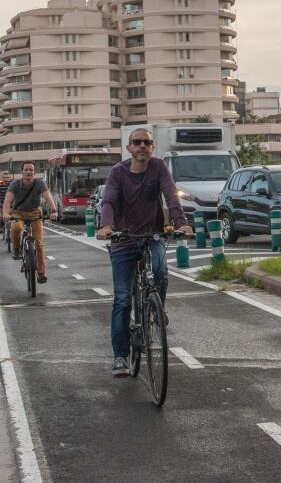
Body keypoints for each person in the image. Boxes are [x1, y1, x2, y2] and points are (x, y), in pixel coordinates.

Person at [97, 128, 193, 378]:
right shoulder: (118, 172)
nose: (142, 146)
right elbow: (108, 200)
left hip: (153, 235)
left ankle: (155, 309)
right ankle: (120, 355)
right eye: (137, 142)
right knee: (122, 299)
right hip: (123, 239)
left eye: (147, 143)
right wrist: (106, 226)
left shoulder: (159, 167)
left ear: (152, 148)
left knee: (160, 271)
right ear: (129, 148)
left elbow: (171, 197)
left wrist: (181, 222)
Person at [2, 162, 58, 283]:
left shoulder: (39, 183)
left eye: (31, 170)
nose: (28, 172)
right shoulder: (14, 184)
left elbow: (48, 197)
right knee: (16, 228)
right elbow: (7, 201)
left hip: (34, 213)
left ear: (34, 172)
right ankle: (16, 248)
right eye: (26, 170)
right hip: (18, 212)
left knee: (39, 243)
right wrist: (5, 214)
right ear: (22, 172)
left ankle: (41, 273)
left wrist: (54, 211)